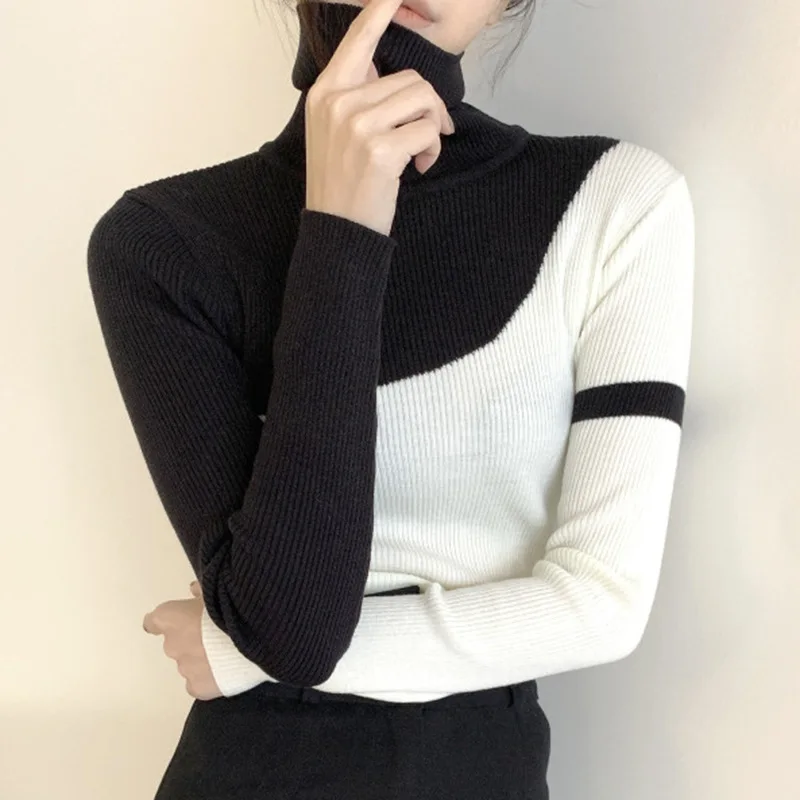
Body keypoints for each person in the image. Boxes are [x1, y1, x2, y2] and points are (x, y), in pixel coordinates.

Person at [86, 0, 695, 797]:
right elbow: (292, 628)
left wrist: (236, 654)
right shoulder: (163, 245)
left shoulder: (612, 204)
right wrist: (342, 226)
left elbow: (603, 604)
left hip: (479, 770)